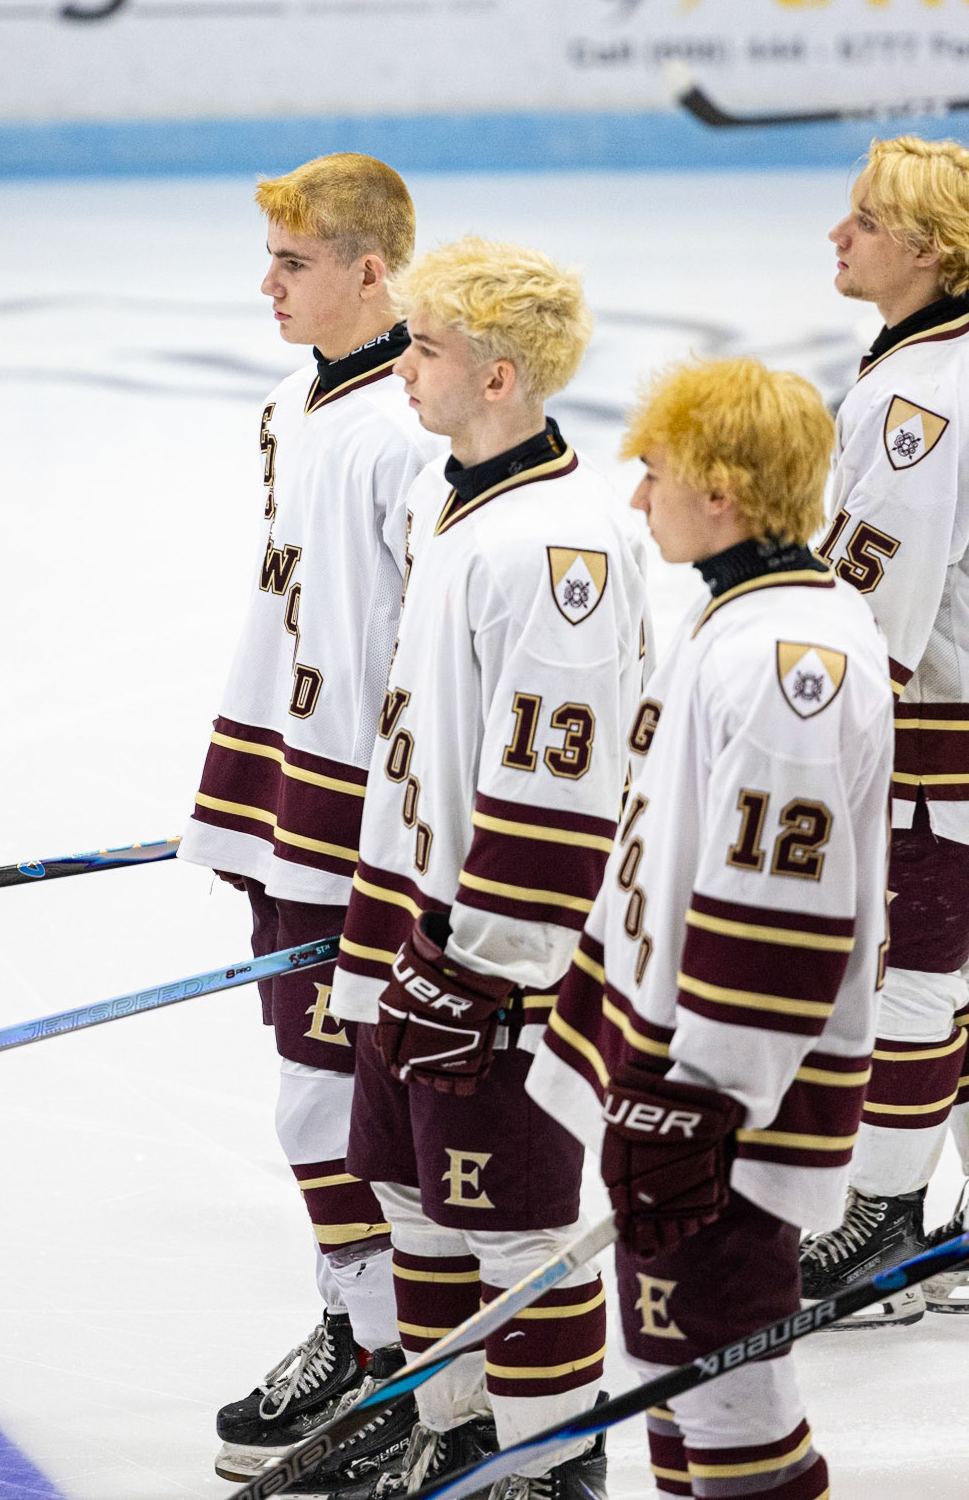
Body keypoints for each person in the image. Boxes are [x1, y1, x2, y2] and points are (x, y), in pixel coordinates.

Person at [529, 356, 892, 1500]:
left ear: (723, 492)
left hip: (728, 1101)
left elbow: (777, 916)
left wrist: (703, 1096)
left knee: (731, 1391)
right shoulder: (740, 616)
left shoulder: (788, 664)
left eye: (656, 471)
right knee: (674, 1366)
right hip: (681, 1074)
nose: (638, 496)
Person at [328, 236, 651, 1499]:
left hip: (497, 947)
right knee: (408, 1186)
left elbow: (558, 799)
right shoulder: (442, 494)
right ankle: (459, 1433)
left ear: (499, 376)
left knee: (516, 1220)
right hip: (407, 913)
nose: (402, 367)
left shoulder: (560, 551)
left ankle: (553, 1461)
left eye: (424, 348)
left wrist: (486, 966)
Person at [179, 153, 439, 1483]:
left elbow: (423, 649)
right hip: (286, 788)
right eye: (269, 259)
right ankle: (356, 1328)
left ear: (370, 270)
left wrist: (398, 825)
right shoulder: (291, 402)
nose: (268, 285)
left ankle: (396, 1360)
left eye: (294, 262)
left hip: (358, 819)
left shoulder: (408, 430)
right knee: (308, 1084)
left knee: (338, 1101)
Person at [799, 135, 969, 1320]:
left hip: (936, 748)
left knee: (910, 973)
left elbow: (873, 613)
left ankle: (883, 1223)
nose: (838, 232)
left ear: (929, 249)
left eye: (863, 218)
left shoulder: (918, 398)